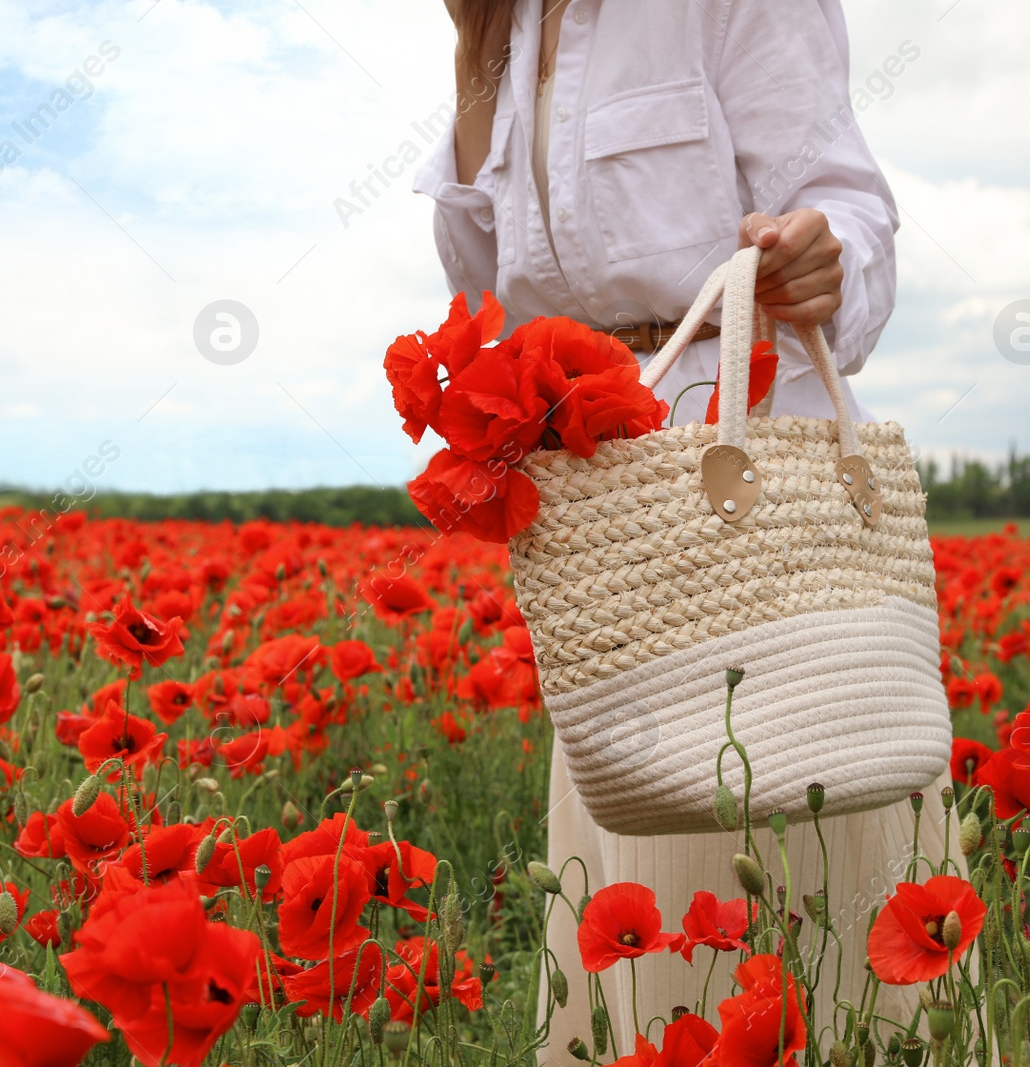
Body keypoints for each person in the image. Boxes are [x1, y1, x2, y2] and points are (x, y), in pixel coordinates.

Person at [412, 0, 961, 1059]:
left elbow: (847, 203)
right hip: (618, 538)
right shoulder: (507, 27)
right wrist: (475, 50)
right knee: (641, 849)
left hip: (750, 501)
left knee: (799, 880)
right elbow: (481, 290)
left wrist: (823, 256)